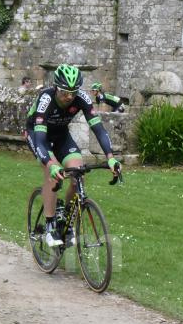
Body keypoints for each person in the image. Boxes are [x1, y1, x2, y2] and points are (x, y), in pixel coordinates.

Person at [25, 64, 120, 248]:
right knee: (52, 173)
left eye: (73, 92)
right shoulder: (46, 98)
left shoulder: (82, 98)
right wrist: (51, 163)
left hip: (61, 134)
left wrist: (110, 157)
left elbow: (98, 129)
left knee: (77, 174)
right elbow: (40, 138)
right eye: (64, 92)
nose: (69, 97)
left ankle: (66, 221)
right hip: (37, 135)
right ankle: (51, 224)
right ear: (55, 87)